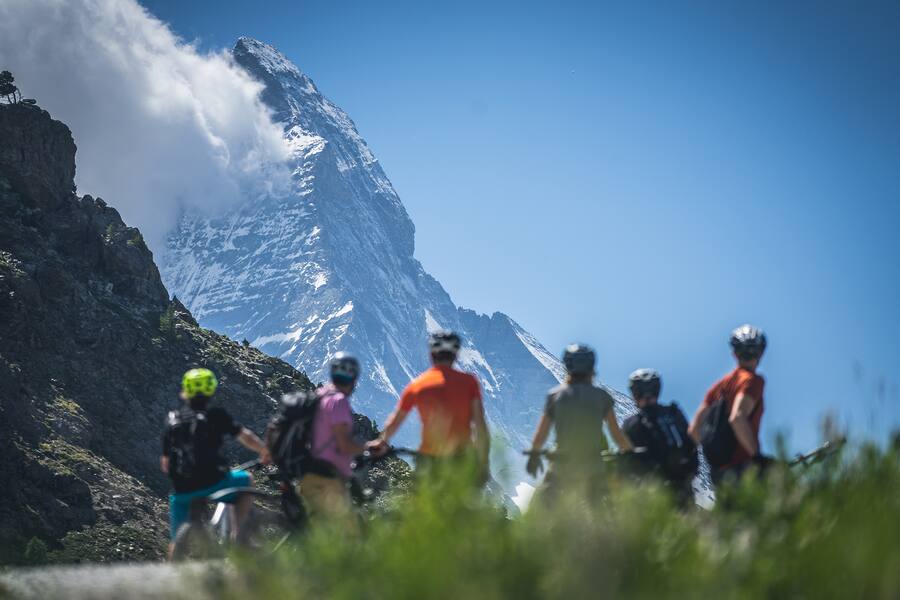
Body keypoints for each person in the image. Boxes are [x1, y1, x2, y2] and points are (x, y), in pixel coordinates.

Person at [161, 368, 270, 560]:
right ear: (211, 390)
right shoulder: (216, 415)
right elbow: (246, 437)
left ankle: (171, 577)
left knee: (176, 542)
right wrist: (264, 451)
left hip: (182, 490)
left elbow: (166, 463)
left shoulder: (173, 419)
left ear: (185, 391)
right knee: (247, 479)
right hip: (214, 481)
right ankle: (239, 537)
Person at [373, 330, 490, 485]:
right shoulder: (469, 382)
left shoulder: (418, 385)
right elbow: (480, 426)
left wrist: (381, 442)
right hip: (461, 461)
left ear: (432, 355)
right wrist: (483, 463)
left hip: (429, 462)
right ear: (455, 356)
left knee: (428, 507)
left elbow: (396, 420)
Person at [526, 344, 633, 501]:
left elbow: (541, 434)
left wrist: (534, 455)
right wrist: (630, 453)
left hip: (562, 468)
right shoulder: (602, 396)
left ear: (567, 366)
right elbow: (616, 434)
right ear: (591, 367)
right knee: (603, 510)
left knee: (544, 509)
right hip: (594, 469)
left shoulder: (555, 396)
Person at [298, 352, 380, 529]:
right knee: (351, 532)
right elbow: (343, 444)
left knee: (315, 530)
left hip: (307, 473)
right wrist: (370, 447)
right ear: (354, 379)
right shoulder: (338, 401)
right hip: (328, 479)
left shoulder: (319, 395)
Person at [688, 324, 768, 484]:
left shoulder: (719, 386)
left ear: (734, 353)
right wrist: (757, 457)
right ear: (761, 353)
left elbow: (693, 430)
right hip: (745, 468)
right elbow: (737, 418)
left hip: (719, 473)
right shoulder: (752, 381)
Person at [622, 369, 697, 505]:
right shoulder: (674, 413)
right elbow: (692, 444)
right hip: (683, 489)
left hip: (652, 494)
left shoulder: (631, 424)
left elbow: (627, 464)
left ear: (634, 394)